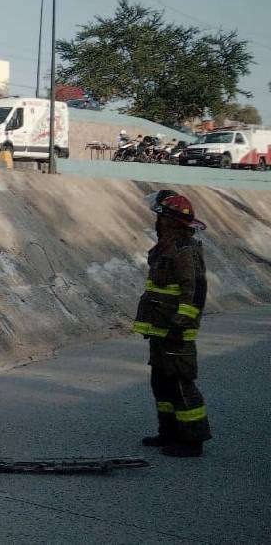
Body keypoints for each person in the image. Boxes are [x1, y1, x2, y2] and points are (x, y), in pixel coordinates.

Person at [133, 190, 211, 457]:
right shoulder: (167, 246)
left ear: (169, 220)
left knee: (180, 383)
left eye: (160, 216)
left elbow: (195, 290)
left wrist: (182, 323)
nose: (156, 220)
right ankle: (169, 433)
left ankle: (192, 440)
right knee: (161, 382)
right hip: (160, 328)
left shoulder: (184, 250)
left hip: (176, 330)